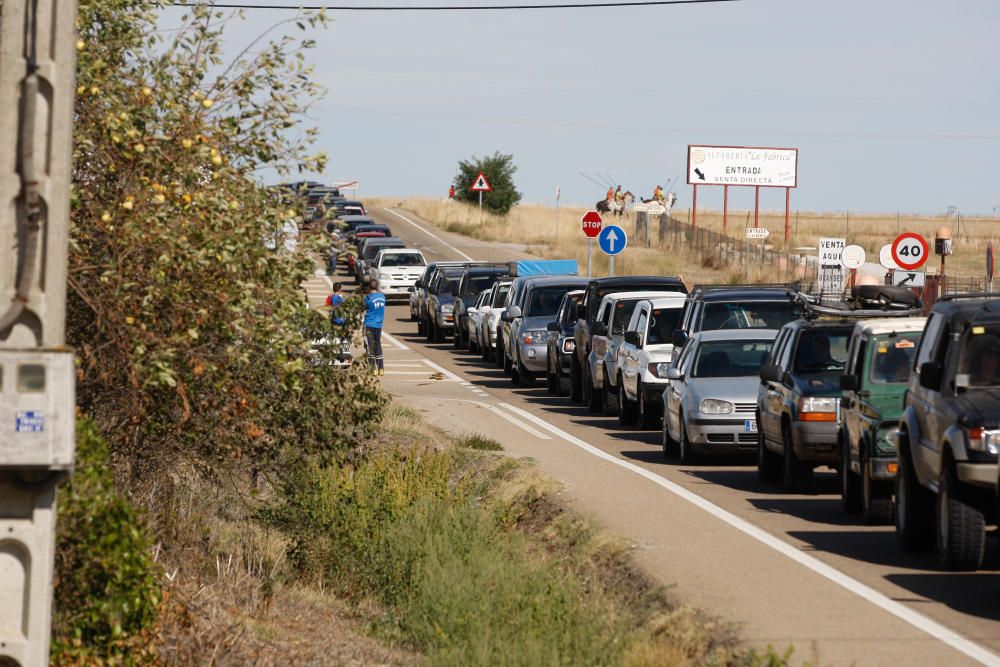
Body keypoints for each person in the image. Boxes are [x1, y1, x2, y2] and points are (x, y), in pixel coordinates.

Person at [363, 279, 387, 375]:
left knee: (370, 346)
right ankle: (381, 368)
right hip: (378, 325)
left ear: (369, 287)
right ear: (377, 287)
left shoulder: (368, 298)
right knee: (378, 345)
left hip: (369, 324)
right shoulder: (382, 297)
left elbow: (363, 308)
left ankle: (373, 368)